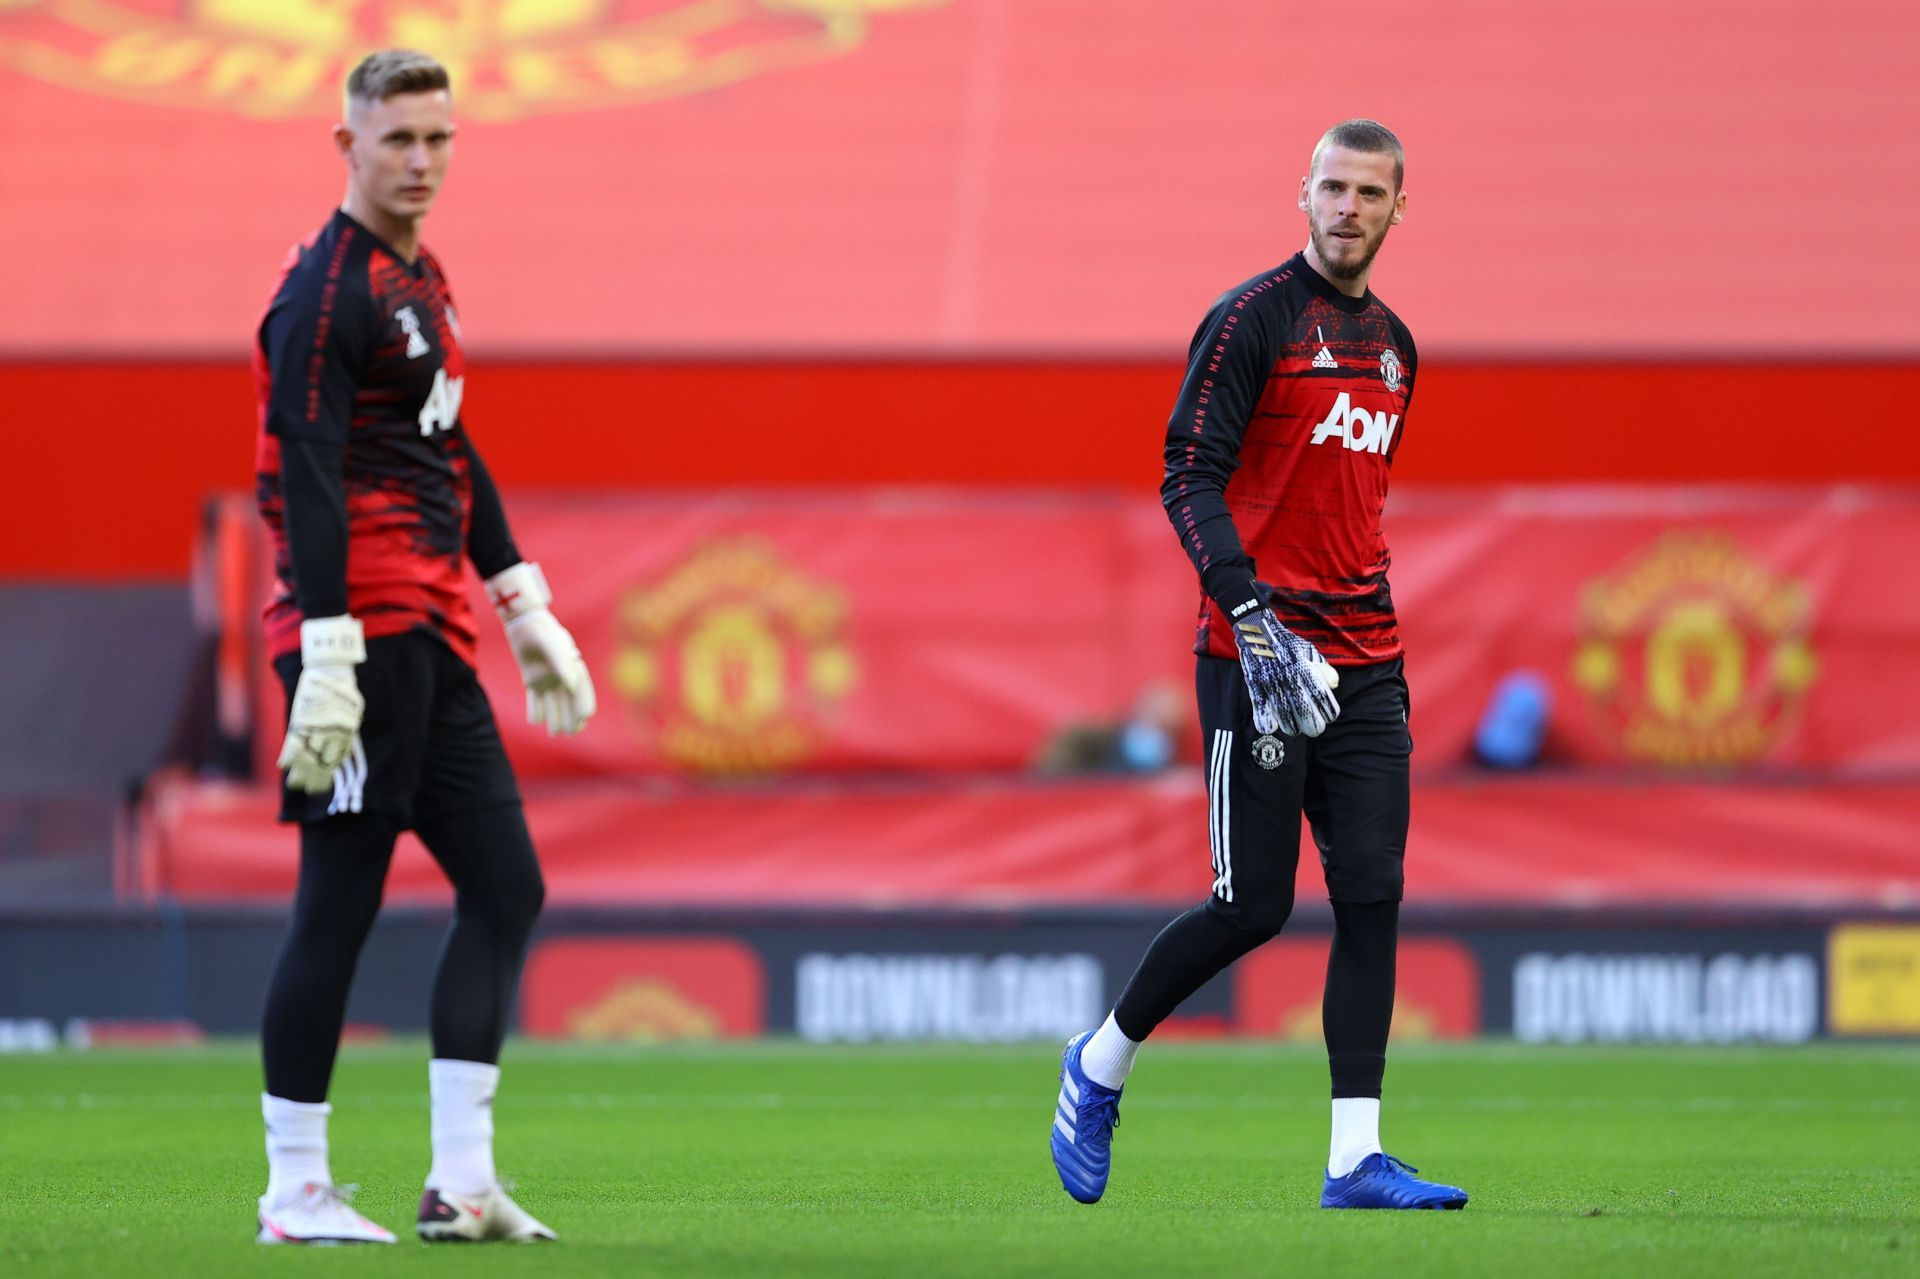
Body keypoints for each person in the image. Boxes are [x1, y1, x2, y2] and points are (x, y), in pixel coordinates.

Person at [1049, 120, 1468, 1211]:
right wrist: (1249, 609)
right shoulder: (1250, 319)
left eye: (1370, 192)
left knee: (1373, 893)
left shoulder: (1397, 348)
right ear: (1304, 193)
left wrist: (1361, 628)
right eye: (1332, 187)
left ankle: (1354, 1159)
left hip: (1366, 663)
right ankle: (1097, 1066)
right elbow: (1187, 473)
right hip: (1255, 655)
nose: (1348, 207)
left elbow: (1355, 507)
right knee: (1252, 904)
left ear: (1398, 209)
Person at [251, 49, 596, 1245]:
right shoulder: (323, 292)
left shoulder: (420, 276)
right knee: (337, 901)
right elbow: (305, 470)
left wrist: (520, 597)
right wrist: (329, 653)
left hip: (435, 631)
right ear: (346, 145)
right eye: (398, 139)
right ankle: (294, 1189)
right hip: (361, 635)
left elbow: (452, 444)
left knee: (506, 887)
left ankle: (461, 1183)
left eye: (439, 138)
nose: (421, 160)